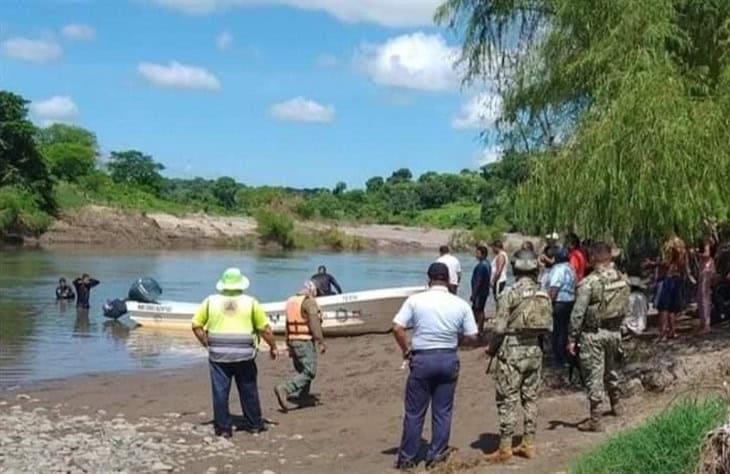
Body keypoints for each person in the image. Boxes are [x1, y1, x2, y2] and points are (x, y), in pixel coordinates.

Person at [392, 263, 478, 471]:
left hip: (422, 357)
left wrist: (406, 349)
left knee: (414, 412)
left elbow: (397, 327)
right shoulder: (460, 303)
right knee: (443, 410)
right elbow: (473, 336)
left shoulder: (416, 300)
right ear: (448, 279)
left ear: (429, 278)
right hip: (448, 357)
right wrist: (455, 342)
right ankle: (437, 454)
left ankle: (407, 458)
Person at [191, 267, 278, 438]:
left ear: (223, 284)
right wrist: (273, 346)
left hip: (218, 355)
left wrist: (206, 343)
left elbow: (196, 325)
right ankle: (254, 424)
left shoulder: (210, 301)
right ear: (241, 284)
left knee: (220, 391)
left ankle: (223, 428)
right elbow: (264, 329)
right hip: (244, 354)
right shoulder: (251, 302)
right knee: (248, 388)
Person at [485, 249, 551, 463]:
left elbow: (500, 328)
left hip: (512, 351)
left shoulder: (509, 293)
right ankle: (528, 443)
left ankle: (505, 447)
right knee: (530, 398)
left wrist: (491, 349)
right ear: (534, 270)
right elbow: (549, 326)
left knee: (507, 398)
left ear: (515, 270)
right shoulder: (543, 294)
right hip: (535, 351)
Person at [568, 242, 630, 432]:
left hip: (593, 335)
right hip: (615, 332)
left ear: (592, 258)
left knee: (594, 375)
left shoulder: (589, 283)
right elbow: (625, 306)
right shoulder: (622, 278)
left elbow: (578, 313)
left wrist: (571, 338)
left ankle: (595, 419)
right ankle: (617, 405)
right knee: (611, 370)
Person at [274, 281, 326, 413]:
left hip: (293, 340)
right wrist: (320, 341)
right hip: (304, 341)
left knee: (302, 369)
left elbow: (287, 325)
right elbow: (314, 324)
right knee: (309, 371)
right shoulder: (309, 303)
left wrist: (288, 344)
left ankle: (303, 397)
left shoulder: (291, 301)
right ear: (313, 292)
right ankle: (285, 388)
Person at [546, 247, 576, 371]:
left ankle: (558, 358)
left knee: (556, 331)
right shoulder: (570, 268)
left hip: (559, 302)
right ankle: (563, 356)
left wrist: (548, 303)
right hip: (570, 301)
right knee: (564, 330)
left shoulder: (558, 269)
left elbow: (554, 288)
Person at [696, 238, 717, 334]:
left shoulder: (707, 240)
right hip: (704, 269)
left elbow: (707, 255)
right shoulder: (706, 240)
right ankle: (703, 323)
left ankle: (706, 325)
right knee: (701, 297)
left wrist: (696, 253)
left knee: (704, 297)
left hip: (706, 269)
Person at [471, 244, 492, 335]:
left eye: (478, 253)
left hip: (480, 292)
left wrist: (474, 294)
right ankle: (480, 328)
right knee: (480, 310)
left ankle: (479, 329)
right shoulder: (487, 264)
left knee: (478, 310)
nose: (476, 255)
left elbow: (478, 281)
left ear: (483, 254)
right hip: (484, 291)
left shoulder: (482, 266)